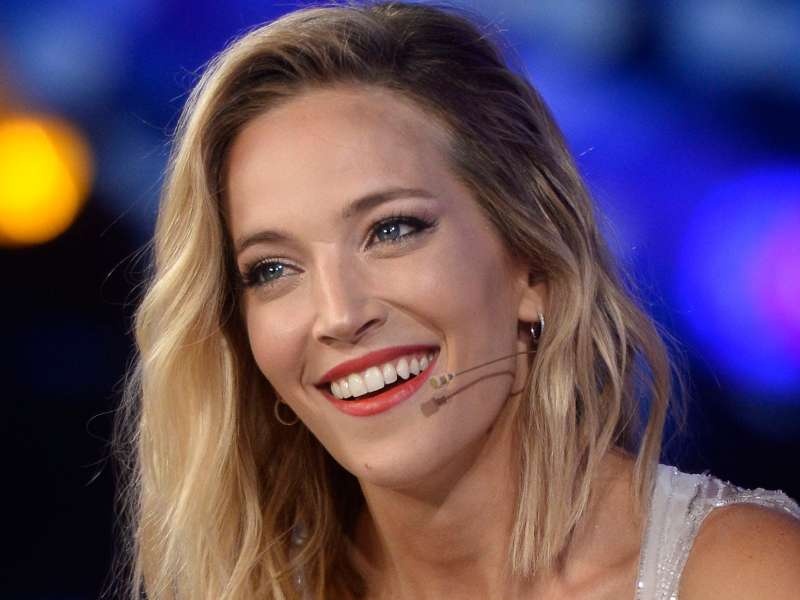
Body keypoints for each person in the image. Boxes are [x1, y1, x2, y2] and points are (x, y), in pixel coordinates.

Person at [116, 2, 800, 599]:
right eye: (272, 269)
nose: (339, 315)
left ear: (531, 262)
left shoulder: (746, 578)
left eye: (391, 230)